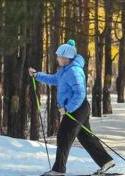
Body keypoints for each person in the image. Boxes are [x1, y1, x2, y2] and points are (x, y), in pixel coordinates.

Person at [29, 39, 114, 176]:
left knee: (63, 136)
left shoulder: (74, 71)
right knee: (86, 137)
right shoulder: (64, 70)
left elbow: (80, 93)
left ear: (66, 58)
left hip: (77, 108)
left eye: (59, 56)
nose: (57, 58)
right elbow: (53, 79)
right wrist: (37, 75)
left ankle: (58, 170)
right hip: (78, 108)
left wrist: (68, 108)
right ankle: (106, 161)